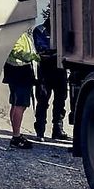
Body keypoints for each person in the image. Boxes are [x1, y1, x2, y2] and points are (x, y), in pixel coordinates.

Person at [33, 8, 68, 141]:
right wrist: (57, 52)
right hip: (45, 71)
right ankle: (40, 130)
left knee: (61, 100)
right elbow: (43, 51)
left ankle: (57, 129)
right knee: (43, 100)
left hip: (60, 71)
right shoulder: (40, 30)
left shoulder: (61, 32)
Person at [4, 27, 38, 149]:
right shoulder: (16, 33)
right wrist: (32, 57)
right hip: (20, 71)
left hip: (15, 71)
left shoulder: (21, 33)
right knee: (20, 105)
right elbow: (16, 50)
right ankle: (16, 136)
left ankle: (16, 134)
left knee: (15, 103)